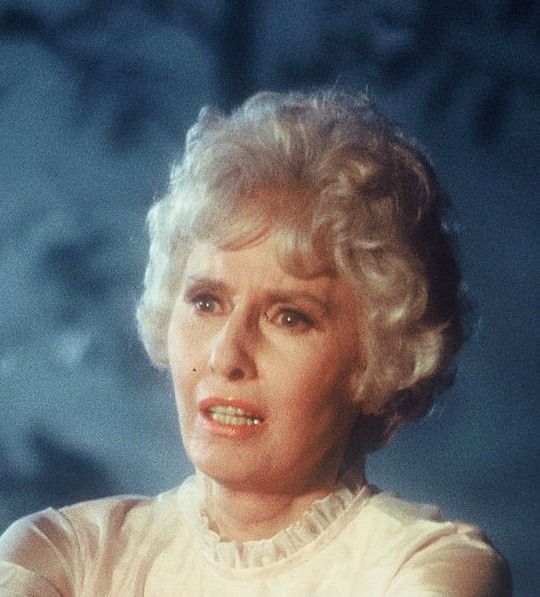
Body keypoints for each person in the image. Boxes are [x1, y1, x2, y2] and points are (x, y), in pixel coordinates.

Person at [0, 89, 511, 596]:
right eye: (206, 302)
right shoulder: (65, 555)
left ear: (378, 361)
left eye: (289, 317)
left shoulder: (432, 566)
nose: (226, 356)